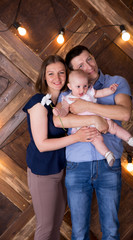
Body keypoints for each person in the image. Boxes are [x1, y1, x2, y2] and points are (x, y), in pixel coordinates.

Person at [53, 45, 133, 240]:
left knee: (111, 231)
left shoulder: (116, 83)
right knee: (79, 233)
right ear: (73, 72)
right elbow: (59, 120)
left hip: (109, 164)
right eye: (81, 64)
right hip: (76, 165)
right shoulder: (68, 94)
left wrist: (86, 106)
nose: (88, 66)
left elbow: (124, 113)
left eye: (89, 59)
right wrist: (95, 119)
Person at [22, 55, 100, 240]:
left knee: (56, 223)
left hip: (61, 169)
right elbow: (41, 145)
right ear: (44, 77)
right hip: (42, 171)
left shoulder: (64, 102)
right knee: (46, 226)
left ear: (67, 76)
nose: (56, 78)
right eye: (51, 74)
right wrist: (77, 137)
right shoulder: (38, 102)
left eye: (61, 73)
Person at [53, 69, 133, 167]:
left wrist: (110, 90)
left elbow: (101, 93)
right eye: (78, 86)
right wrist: (59, 112)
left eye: (85, 86)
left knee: (114, 127)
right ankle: (108, 154)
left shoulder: (89, 92)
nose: (82, 90)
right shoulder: (67, 99)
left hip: (101, 119)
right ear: (70, 86)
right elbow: (64, 111)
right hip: (86, 126)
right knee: (96, 139)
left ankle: (130, 140)